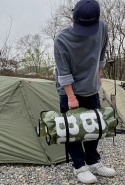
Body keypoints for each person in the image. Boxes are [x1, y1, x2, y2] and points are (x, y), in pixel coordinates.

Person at [54, 0, 117, 184]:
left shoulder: (102, 27)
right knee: (73, 131)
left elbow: (102, 55)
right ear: (73, 16)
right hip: (70, 93)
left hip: (91, 90)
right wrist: (71, 97)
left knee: (94, 129)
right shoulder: (62, 39)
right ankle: (79, 167)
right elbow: (63, 73)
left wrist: (98, 76)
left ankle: (94, 162)